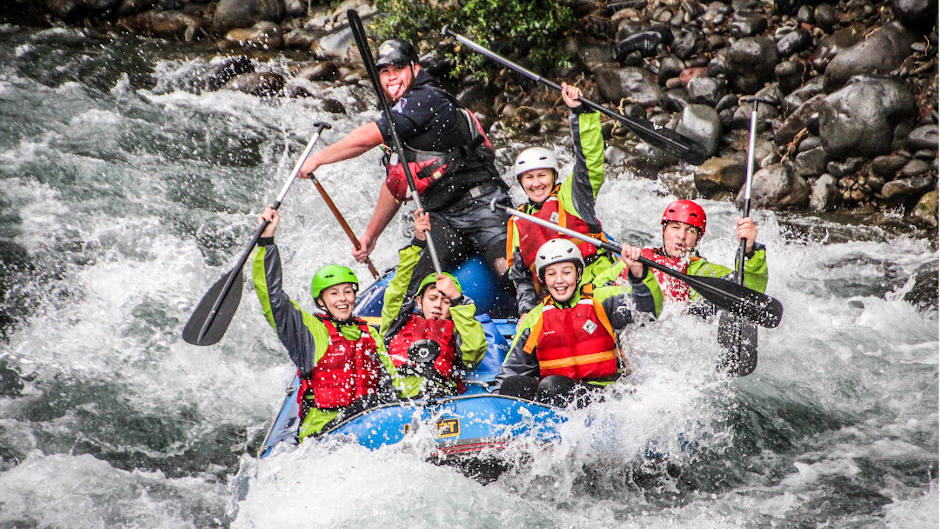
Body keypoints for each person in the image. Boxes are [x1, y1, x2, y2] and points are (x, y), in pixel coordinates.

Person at [298, 38, 512, 297]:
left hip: (484, 207)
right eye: (384, 72)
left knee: (510, 274)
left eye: (397, 69)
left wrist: (319, 158)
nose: (391, 78)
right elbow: (398, 182)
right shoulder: (398, 112)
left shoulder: (426, 98)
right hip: (442, 218)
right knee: (412, 290)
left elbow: (369, 137)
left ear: (415, 68)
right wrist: (371, 236)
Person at [251, 205, 413, 442]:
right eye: (334, 294)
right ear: (321, 301)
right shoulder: (309, 331)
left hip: (370, 421)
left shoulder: (367, 331)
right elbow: (272, 298)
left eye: (347, 292)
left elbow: (391, 379)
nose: (343, 299)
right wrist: (266, 242)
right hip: (326, 431)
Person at [495, 238, 662, 407]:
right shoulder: (535, 318)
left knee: (552, 387)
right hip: (556, 395)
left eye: (566, 272)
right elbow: (513, 369)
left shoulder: (602, 300)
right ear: (543, 279)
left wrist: (639, 275)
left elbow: (648, 311)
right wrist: (496, 399)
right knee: (513, 386)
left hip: (605, 396)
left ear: (578, 273)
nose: (559, 280)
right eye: (551, 274)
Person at [506, 82, 617, 319]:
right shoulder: (518, 220)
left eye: (541, 175)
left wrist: (581, 114)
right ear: (521, 182)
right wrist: (526, 312)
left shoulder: (572, 195)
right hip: (554, 295)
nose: (536, 183)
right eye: (529, 178)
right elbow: (522, 277)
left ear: (554, 176)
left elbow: (590, 161)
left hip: (596, 282)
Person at [379, 210, 488, 398]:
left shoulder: (458, 331)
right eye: (432, 298)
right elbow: (398, 290)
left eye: (445, 301)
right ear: (419, 302)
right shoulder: (396, 323)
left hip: (438, 395)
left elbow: (474, 352)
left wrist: (458, 301)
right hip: (396, 397)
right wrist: (417, 244)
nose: (438, 305)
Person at [595, 199, 768, 311]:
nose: (681, 236)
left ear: (698, 238)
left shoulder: (702, 271)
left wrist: (749, 250)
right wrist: (630, 293)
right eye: (675, 227)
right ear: (664, 230)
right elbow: (594, 290)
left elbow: (748, 289)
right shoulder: (636, 257)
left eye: (690, 231)